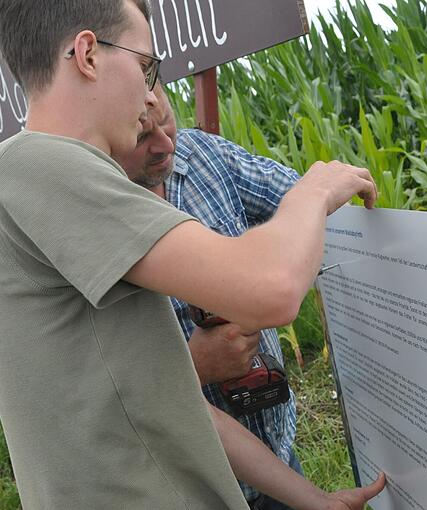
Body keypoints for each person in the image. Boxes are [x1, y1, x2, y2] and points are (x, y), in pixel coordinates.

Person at [0, 0, 384, 508]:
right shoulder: (41, 167)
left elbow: (163, 395)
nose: (148, 96)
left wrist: (310, 499)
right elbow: (270, 288)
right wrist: (312, 191)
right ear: (89, 54)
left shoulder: (29, 177)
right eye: (145, 66)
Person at [116, 84, 302, 509]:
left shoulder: (204, 155)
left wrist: (261, 269)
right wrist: (194, 366)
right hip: (194, 489)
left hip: (277, 448)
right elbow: (111, 395)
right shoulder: (97, 216)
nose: (166, 143)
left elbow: (290, 195)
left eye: (167, 122)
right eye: (144, 138)